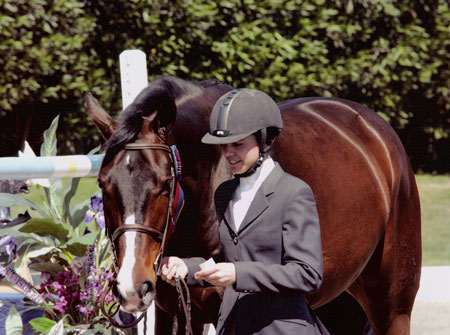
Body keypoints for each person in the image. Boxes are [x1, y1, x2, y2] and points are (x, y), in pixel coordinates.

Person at [161, 89, 328, 335]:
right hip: (235, 326)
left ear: (264, 140)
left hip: (281, 327)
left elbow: (308, 274)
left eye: (238, 144)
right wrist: (188, 267)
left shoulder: (293, 192)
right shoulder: (225, 193)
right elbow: (230, 259)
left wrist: (238, 274)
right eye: (223, 146)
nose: (228, 153)